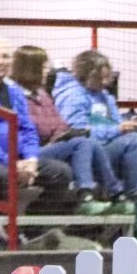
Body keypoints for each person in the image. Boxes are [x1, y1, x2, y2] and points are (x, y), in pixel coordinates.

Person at [0, 42, 75, 210]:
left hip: (16, 160)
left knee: (61, 172)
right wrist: (9, 163)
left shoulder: (15, 91)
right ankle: (5, 227)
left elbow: (28, 130)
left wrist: (31, 160)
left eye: (5, 56)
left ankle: (32, 229)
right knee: (7, 177)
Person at [10, 45, 118, 212]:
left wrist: (61, 135)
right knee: (83, 143)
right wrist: (54, 136)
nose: (48, 71)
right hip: (28, 154)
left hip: (49, 146)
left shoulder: (41, 93)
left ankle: (113, 194)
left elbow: (59, 123)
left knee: (87, 142)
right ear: (31, 68)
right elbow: (28, 129)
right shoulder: (14, 95)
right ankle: (92, 195)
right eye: (45, 67)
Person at [53, 51, 137, 205]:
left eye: (107, 76)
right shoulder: (72, 95)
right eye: (100, 77)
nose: (105, 81)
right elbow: (78, 132)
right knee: (135, 141)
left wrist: (129, 124)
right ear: (86, 75)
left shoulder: (104, 95)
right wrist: (117, 130)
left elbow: (114, 122)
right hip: (90, 153)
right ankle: (136, 195)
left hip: (108, 142)